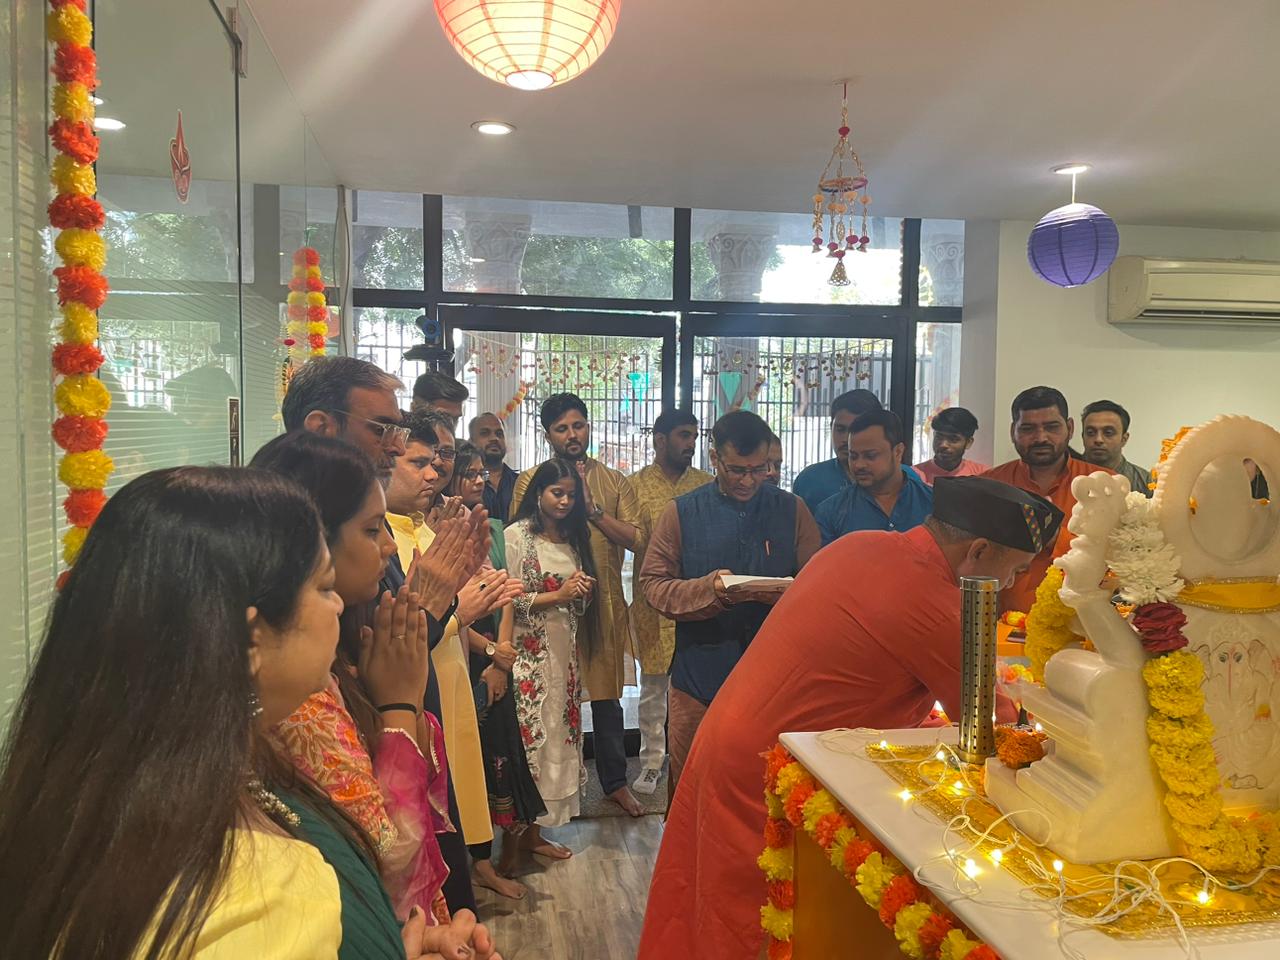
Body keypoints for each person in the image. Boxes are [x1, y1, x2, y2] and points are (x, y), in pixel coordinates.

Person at [0, 466, 501, 960]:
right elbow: (388, 854)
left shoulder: (108, 795)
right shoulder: (266, 895)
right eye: (324, 587)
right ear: (250, 640)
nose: (337, 608)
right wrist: (399, 703)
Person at [638, 476, 1063, 960]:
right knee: (745, 919)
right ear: (979, 551)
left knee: (699, 899)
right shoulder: (937, 602)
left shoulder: (864, 544)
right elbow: (995, 730)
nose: (1011, 585)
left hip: (732, 734)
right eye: (1016, 570)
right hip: (762, 767)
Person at [284, 357, 490, 916]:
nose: (397, 447)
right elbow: (387, 848)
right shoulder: (298, 693)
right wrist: (427, 612)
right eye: (383, 429)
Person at [251, 432, 452, 923]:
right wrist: (399, 707)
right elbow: (388, 856)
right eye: (371, 529)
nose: (388, 546)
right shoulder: (296, 697)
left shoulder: (334, 658)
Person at [639, 411, 821, 797]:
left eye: (760, 469)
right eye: (737, 470)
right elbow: (653, 585)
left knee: (766, 795)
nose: (749, 481)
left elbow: (818, 588)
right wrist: (710, 591)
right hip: (698, 680)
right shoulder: (682, 512)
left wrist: (789, 594)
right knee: (693, 791)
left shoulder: (792, 510)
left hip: (774, 680)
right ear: (715, 458)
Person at [392, 413, 525, 903]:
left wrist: (485, 644)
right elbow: (398, 629)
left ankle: (469, 882)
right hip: (417, 686)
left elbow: (473, 594)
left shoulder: (426, 529)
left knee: (463, 782)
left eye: (439, 460)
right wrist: (458, 615)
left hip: (451, 673)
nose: (435, 473)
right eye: (418, 462)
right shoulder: (384, 538)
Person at [510, 393, 646, 817]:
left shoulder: (614, 481)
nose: (572, 434)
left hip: (602, 608)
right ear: (547, 434)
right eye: (562, 428)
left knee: (606, 699)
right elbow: (518, 542)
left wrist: (593, 510)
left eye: (578, 425)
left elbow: (638, 539)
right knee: (550, 701)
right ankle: (545, 797)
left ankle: (615, 783)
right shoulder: (532, 480)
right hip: (547, 611)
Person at [450, 441, 548, 899]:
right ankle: (477, 863)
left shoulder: (489, 526)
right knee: (474, 759)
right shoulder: (439, 531)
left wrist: (503, 655)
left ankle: (499, 852)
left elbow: (505, 592)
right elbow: (446, 610)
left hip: (494, 650)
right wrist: (490, 654)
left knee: (503, 752)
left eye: (480, 472)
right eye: (469, 472)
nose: (480, 479)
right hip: (463, 651)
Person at [506, 459, 603, 855]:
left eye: (571, 495)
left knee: (557, 740)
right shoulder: (517, 536)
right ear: (538, 494)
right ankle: (514, 842)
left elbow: (574, 604)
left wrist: (580, 593)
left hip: (564, 658)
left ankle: (535, 836)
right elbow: (508, 601)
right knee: (530, 741)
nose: (564, 501)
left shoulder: (573, 538)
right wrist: (558, 595)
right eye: (556, 493)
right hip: (527, 658)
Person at [628, 409, 713, 796]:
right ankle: (651, 761)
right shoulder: (634, 486)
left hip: (699, 600)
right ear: (660, 440)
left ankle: (696, 758)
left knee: (695, 686)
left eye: (694, 436)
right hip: (653, 602)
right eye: (683, 435)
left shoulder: (707, 485)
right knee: (653, 686)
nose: (691, 443)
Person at [983, 386, 1111, 614]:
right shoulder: (988, 486)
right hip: (1002, 625)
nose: (1040, 438)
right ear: (1013, 431)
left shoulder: (1104, 484)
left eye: (1052, 427)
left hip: (1083, 626)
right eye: (1028, 429)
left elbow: (1118, 561)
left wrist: (1056, 537)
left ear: (1070, 428)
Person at [281, 355, 408, 483]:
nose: (400, 449)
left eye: (397, 432)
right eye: (380, 430)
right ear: (320, 429)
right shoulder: (274, 494)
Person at [814, 409, 934, 545]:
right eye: (853, 456)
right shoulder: (831, 512)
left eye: (870, 456)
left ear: (898, 452)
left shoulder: (933, 504)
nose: (859, 465)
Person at [792, 388, 883, 513]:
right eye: (840, 429)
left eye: (855, 430)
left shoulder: (900, 480)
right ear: (831, 427)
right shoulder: (809, 480)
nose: (846, 439)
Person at [1081, 399, 1152, 497]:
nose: (1098, 439)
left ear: (1124, 439)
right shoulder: (1065, 475)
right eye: (1090, 433)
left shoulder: (1146, 483)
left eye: (1108, 433)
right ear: (1083, 436)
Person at [915, 406, 989, 485]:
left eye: (953, 439)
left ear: (968, 442)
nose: (943, 445)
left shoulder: (983, 476)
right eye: (939, 437)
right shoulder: (915, 476)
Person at [469, 412, 519, 523]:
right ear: (471, 441)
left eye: (499, 434)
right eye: (485, 433)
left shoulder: (520, 482)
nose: (494, 438)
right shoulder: (465, 484)